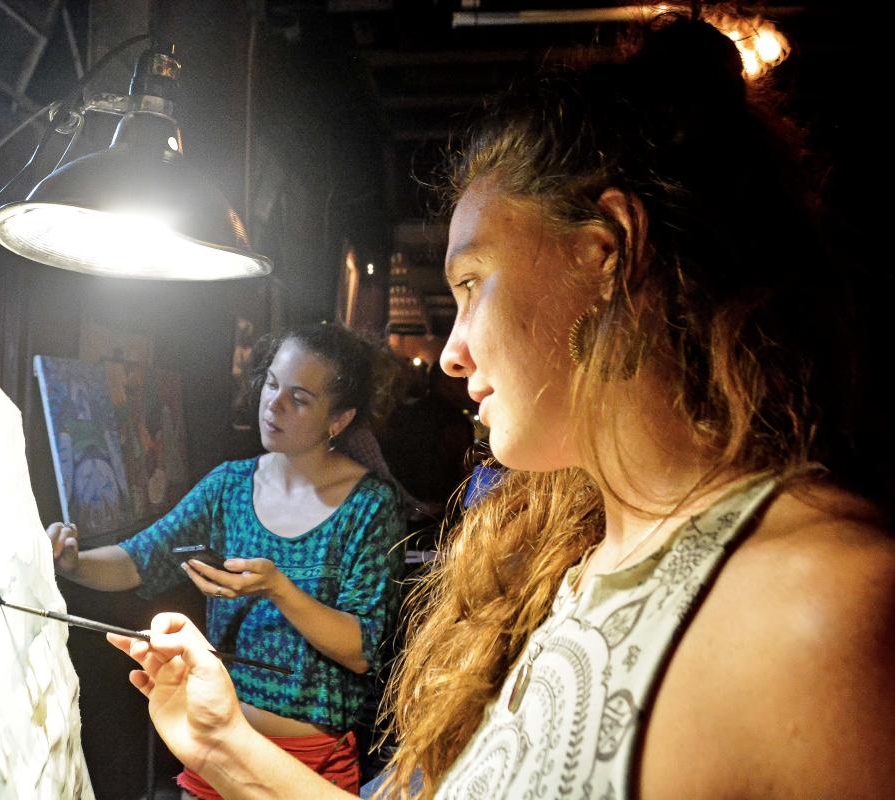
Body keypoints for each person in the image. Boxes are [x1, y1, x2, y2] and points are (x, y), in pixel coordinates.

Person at [103, 13, 895, 799]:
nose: (450, 353)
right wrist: (221, 740)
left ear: (606, 253)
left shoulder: (822, 609)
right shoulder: (570, 565)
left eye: (473, 283)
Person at [47, 322, 404, 797]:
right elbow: (139, 559)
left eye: (299, 399)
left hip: (308, 770)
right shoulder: (230, 485)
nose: (273, 405)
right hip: (212, 750)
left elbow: (362, 651)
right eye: (271, 384)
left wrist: (277, 588)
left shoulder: (369, 506)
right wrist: (72, 563)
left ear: (338, 420)